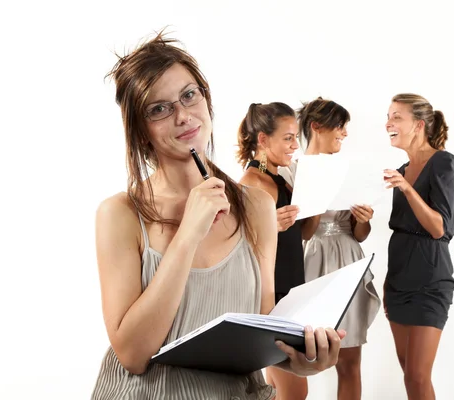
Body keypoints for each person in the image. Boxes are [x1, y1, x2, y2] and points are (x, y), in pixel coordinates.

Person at [90, 31, 346, 400]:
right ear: (140, 131)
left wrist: (301, 359)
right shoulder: (120, 214)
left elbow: (262, 327)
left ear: (206, 98)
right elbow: (132, 355)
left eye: (189, 95)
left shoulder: (256, 206)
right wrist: (189, 233)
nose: (182, 116)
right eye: (159, 109)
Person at [278, 97, 381, 400]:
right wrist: (316, 200)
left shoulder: (349, 170)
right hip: (308, 263)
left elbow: (359, 234)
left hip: (348, 261)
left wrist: (364, 219)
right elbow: (299, 233)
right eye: (340, 126)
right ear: (316, 126)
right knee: (295, 357)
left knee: (350, 363)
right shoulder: (290, 172)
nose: (345, 133)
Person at [382, 93, 454, 400]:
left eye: (396, 116)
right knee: (409, 377)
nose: (388, 123)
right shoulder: (401, 170)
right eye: (387, 116)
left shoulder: (443, 162)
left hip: (430, 283)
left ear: (419, 124)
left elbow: (439, 227)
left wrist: (407, 189)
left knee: (417, 376)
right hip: (398, 282)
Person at [236, 102, 308, 400]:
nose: (295, 145)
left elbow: (300, 235)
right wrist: (269, 228)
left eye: (296, 137)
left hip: (288, 294)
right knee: (294, 393)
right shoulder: (254, 181)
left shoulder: (275, 175)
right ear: (263, 140)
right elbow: (237, 247)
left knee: (280, 391)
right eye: (288, 138)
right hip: (273, 299)